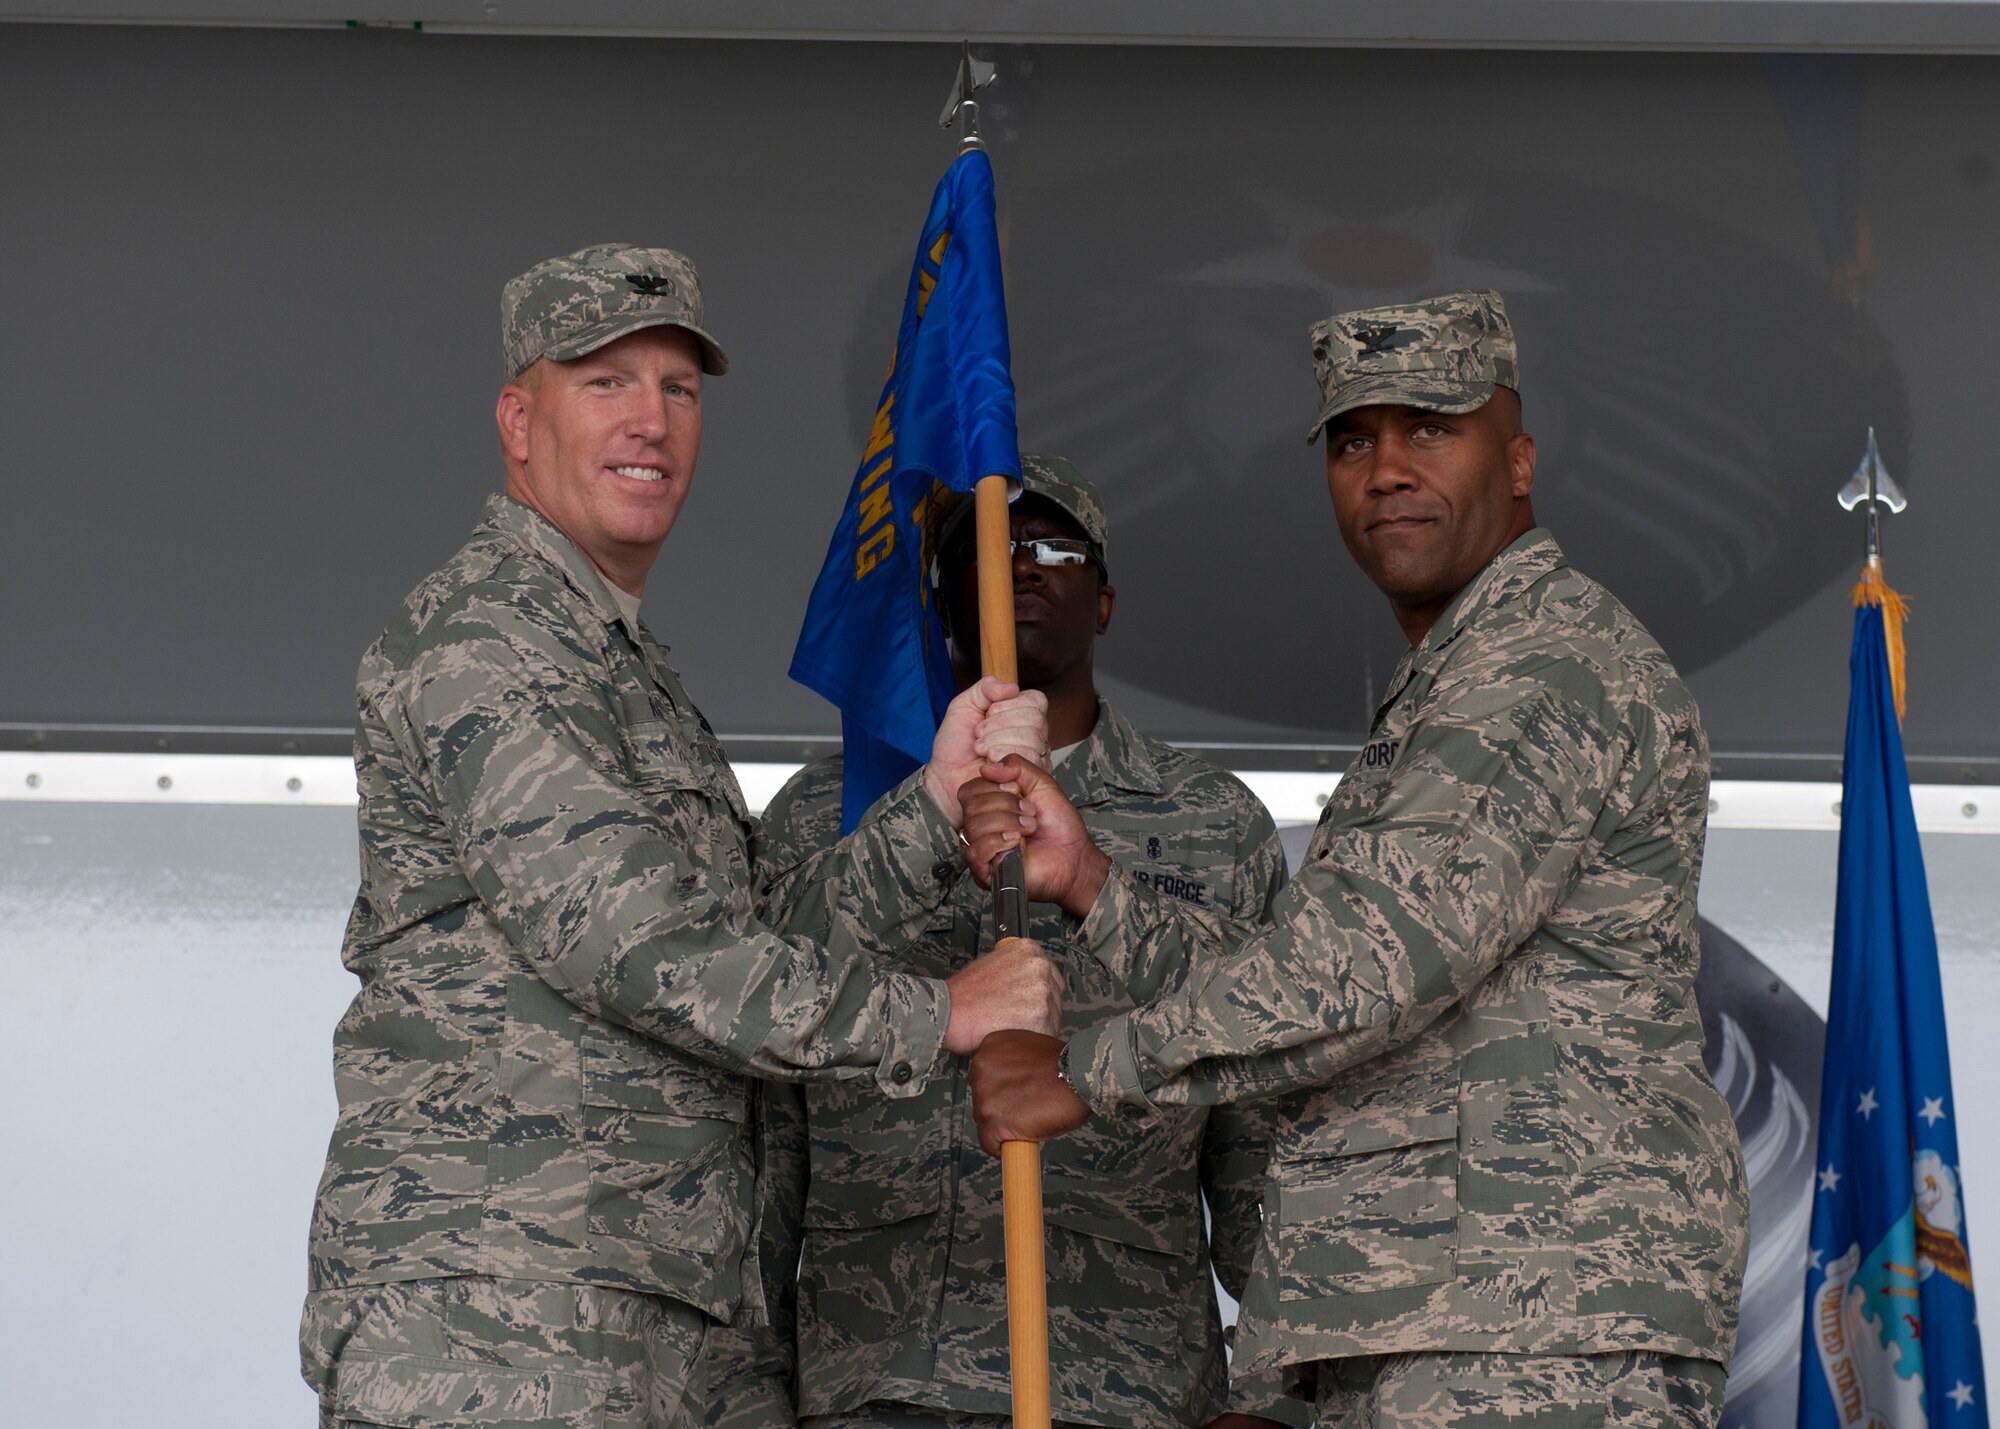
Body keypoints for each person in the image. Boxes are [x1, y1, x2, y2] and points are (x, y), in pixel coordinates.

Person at [297, 243, 1062, 1429]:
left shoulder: (620, 662)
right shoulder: (486, 638)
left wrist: (929, 806)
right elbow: (638, 947)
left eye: (678, 388)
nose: (648, 420)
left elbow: (743, 936)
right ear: (517, 418)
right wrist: (942, 1012)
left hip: (672, 1301)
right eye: (604, 382)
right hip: (510, 1302)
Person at [965, 291, 1751, 1428]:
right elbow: (1327, 974)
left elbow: (1372, 964)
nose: (1383, 470)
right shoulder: (1453, 678)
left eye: (1428, 429)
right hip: (1433, 1309)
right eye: (1351, 440)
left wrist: (1080, 1071)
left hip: (1527, 1314)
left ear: (1517, 460)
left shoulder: (1542, 666)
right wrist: (1089, 883)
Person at [717, 456, 1310, 1429]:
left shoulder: (1213, 819)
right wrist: (745, 1390)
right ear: (944, 593)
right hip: (873, 1371)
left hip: (1127, 1381)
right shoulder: (831, 809)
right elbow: (761, 1074)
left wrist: (1273, 1398)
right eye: (987, 551)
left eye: (1051, 547)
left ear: (1104, 599)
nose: (1020, 570)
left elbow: (1259, 1117)